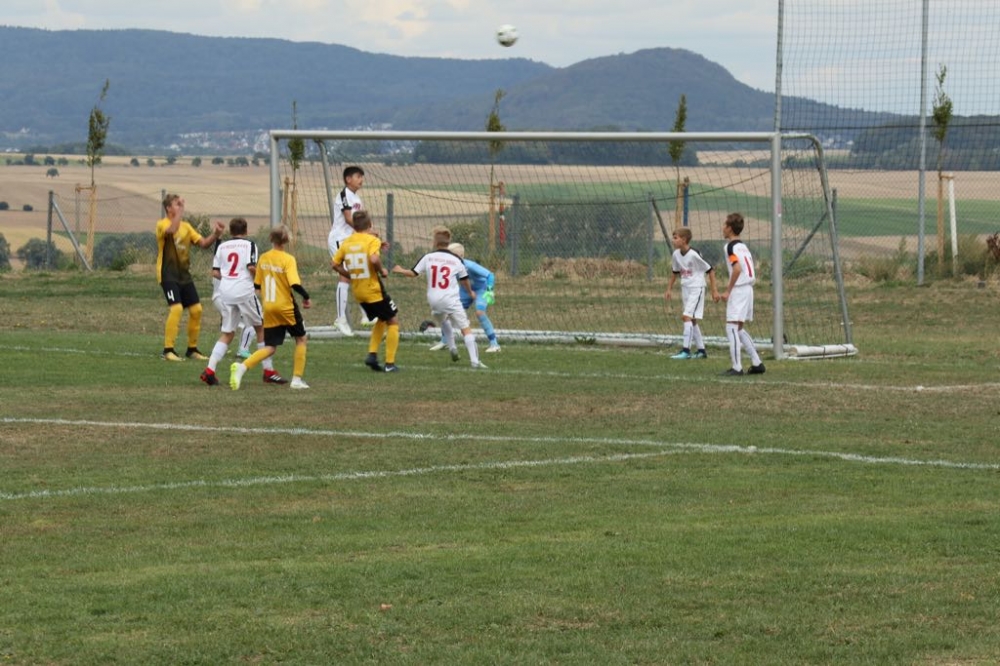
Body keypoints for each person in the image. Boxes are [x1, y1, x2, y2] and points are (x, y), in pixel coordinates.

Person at [200, 218, 285, 386]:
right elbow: (251, 267)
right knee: (261, 327)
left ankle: (209, 370)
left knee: (228, 333)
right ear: (246, 231)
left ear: (231, 231)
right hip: (244, 291)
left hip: (226, 293)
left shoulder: (222, 246)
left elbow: (215, 272)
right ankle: (268, 371)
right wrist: (261, 281)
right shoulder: (249, 245)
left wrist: (230, 279)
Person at [229, 226, 311, 390]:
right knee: (301, 339)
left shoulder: (264, 258)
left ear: (271, 238)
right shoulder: (288, 259)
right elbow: (294, 283)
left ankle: (241, 368)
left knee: (270, 347)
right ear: (286, 240)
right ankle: (296, 380)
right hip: (286, 307)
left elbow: (257, 285)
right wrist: (306, 297)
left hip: (269, 307)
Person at [393, 227, 486, 370]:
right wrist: (470, 292)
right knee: (465, 329)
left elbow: (413, 273)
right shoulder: (456, 260)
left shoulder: (428, 257)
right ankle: (475, 361)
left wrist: (400, 270)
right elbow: (464, 280)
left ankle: (452, 348)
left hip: (434, 301)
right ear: (448, 243)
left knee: (444, 320)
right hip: (451, 300)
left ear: (435, 243)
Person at [155, 193, 224, 361]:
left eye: (180, 204)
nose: (179, 206)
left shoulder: (186, 227)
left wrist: (216, 234)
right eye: (176, 204)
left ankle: (192, 350)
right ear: (168, 208)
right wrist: (181, 210)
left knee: (196, 310)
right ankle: (168, 350)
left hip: (184, 276)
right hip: (167, 275)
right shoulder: (162, 224)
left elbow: (203, 244)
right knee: (177, 308)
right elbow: (171, 231)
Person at [332, 210, 401, 373]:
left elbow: (334, 264)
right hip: (373, 289)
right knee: (393, 321)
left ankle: (372, 355)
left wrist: (349, 275)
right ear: (370, 224)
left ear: (354, 226)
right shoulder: (372, 240)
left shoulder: (347, 242)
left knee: (382, 319)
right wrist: (382, 270)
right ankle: (390, 364)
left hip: (358, 291)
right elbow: (374, 259)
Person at [429, 242, 501, 353]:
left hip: (481, 290)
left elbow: (490, 275)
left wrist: (489, 290)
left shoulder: (470, 265)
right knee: (447, 312)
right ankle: (445, 341)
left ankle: (494, 344)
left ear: (461, 256)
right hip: (466, 290)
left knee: (480, 313)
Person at [720, 212, 765, 376]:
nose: (723, 228)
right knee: (738, 328)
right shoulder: (743, 246)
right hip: (748, 289)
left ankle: (737, 367)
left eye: (725, 225)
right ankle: (757, 363)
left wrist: (728, 290)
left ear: (730, 228)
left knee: (731, 327)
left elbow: (737, 269)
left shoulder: (729, 247)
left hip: (739, 289)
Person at [664, 227, 718, 360]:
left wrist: (714, 291)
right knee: (692, 320)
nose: (673, 240)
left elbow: (710, 270)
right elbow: (675, 272)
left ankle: (686, 351)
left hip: (696, 288)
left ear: (684, 240)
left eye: (675, 238)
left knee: (686, 317)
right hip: (685, 288)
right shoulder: (676, 254)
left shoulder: (694, 254)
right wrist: (669, 289)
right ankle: (701, 351)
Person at [327, 165, 365, 337]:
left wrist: (371, 232)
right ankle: (340, 319)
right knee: (346, 275)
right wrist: (366, 232)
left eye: (362, 177)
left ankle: (366, 314)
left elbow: (362, 220)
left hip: (351, 242)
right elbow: (349, 219)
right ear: (348, 179)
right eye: (358, 176)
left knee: (358, 273)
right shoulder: (344, 195)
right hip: (339, 240)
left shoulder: (357, 198)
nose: (361, 180)